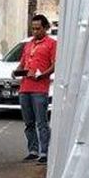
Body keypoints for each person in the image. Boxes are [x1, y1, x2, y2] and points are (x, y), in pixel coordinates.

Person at [15, 14, 57, 165]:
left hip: (40, 88)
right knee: (29, 122)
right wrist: (16, 71)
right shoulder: (28, 44)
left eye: (38, 28)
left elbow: (54, 65)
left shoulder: (52, 44)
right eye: (33, 28)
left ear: (45, 28)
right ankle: (33, 150)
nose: (35, 31)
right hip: (25, 87)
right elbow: (22, 63)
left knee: (41, 122)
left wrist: (42, 75)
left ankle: (44, 152)